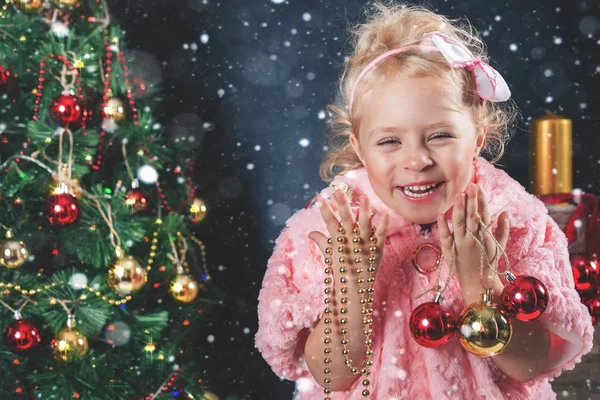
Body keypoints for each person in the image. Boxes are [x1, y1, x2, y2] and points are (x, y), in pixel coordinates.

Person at [255, 2, 595, 399]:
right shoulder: (334, 229)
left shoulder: (513, 223)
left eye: (439, 135)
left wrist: (480, 286)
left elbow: (529, 365)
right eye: (389, 141)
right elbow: (333, 377)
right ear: (360, 149)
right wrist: (350, 293)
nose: (417, 160)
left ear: (478, 137)